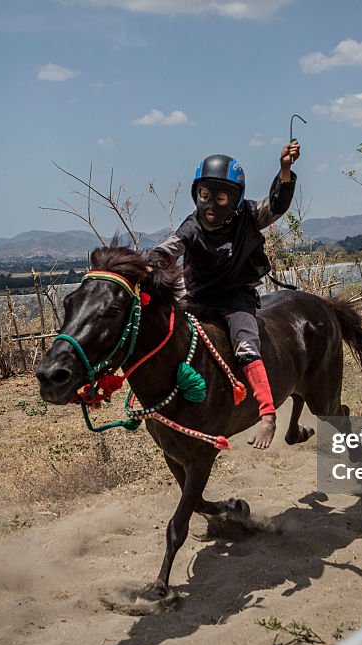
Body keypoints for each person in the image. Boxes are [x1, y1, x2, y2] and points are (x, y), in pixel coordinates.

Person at [151, 141, 301, 449]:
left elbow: (276, 205)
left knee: (246, 343)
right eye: (205, 195)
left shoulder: (248, 214)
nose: (211, 205)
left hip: (235, 296)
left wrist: (285, 169)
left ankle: (267, 414)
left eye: (220, 197)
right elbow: (167, 250)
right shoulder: (190, 227)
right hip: (196, 297)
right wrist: (145, 267)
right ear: (197, 194)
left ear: (234, 198)